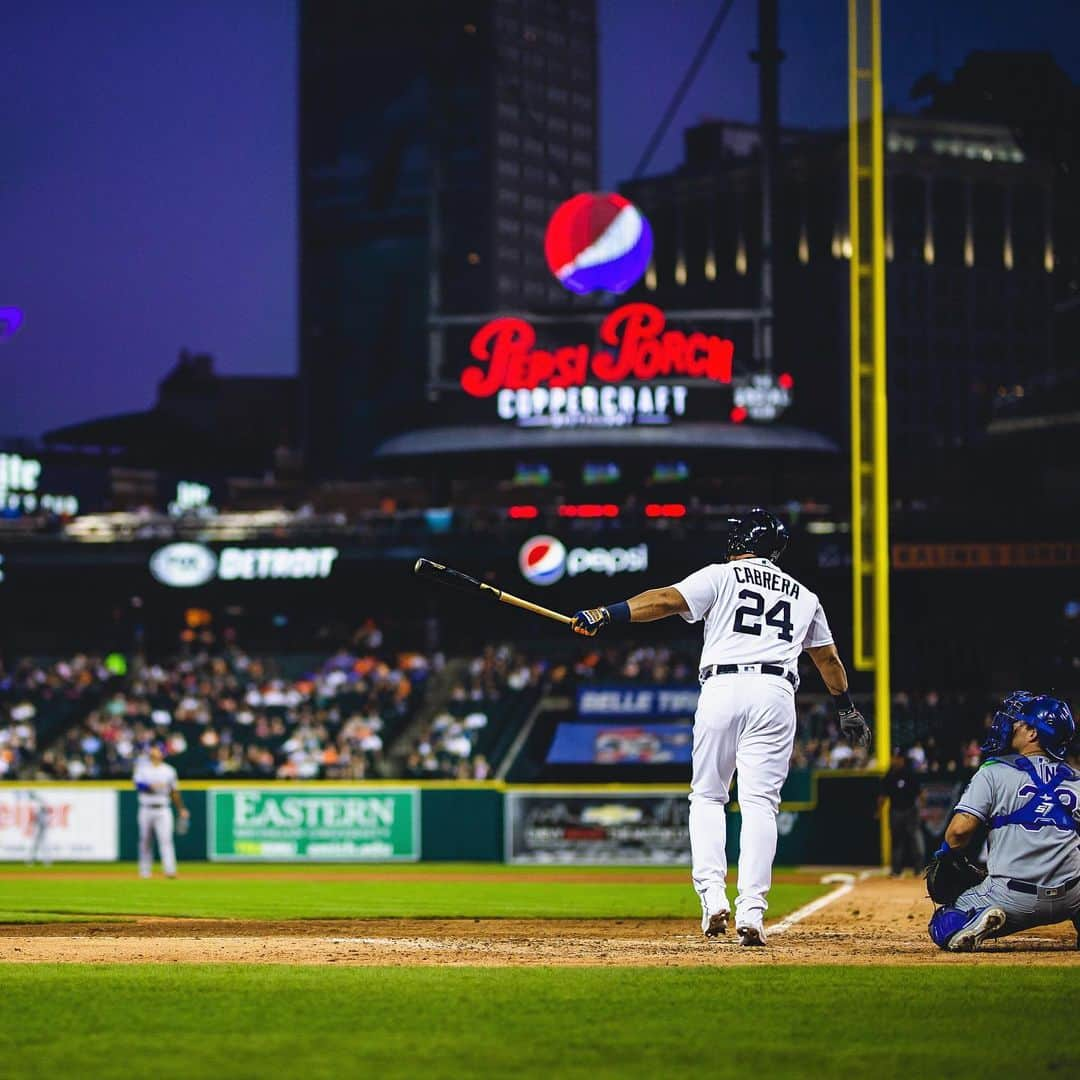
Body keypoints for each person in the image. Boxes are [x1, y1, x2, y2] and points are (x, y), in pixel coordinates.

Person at [571, 507, 870, 946]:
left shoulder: (721, 576)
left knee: (709, 796)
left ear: (741, 541)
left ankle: (713, 899)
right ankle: (752, 911)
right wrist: (844, 706)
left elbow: (667, 600)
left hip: (723, 686)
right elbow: (827, 660)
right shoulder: (804, 596)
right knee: (760, 805)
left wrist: (608, 613)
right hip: (776, 693)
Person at [927, 691, 1080, 952]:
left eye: (1019, 723)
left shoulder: (994, 771)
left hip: (1013, 896)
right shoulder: (1077, 779)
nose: (1011, 726)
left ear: (1033, 734)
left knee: (942, 924)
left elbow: (958, 833)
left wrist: (947, 854)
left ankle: (977, 917)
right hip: (1073, 894)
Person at [133, 744, 189, 879]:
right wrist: (152, 785)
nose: (154, 752)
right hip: (146, 808)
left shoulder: (169, 771)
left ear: (162, 754)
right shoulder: (142, 769)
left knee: (166, 840)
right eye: (153, 749)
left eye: (157, 750)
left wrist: (181, 808)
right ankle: (144, 872)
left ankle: (170, 870)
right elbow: (139, 785)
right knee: (145, 840)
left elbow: (174, 792)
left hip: (163, 808)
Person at [878, 748, 924, 876]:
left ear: (902, 759)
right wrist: (879, 810)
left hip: (911, 810)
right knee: (897, 841)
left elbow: (920, 792)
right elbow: (882, 795)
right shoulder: (890, 775)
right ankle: (896, 870)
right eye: (893, 758)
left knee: (915, 839)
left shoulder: (910, 773)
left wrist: (922, 807)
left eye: (897, 758)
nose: (895, 760)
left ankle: (919, 869)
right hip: (895, 810)